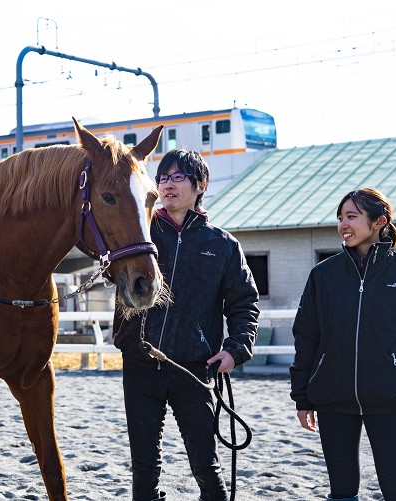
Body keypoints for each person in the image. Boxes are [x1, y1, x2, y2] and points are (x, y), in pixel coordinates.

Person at [112, 148, 260, 501]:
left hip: (194, 367)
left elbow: (244, 303)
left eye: (178, 177)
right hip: (140, 362)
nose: (168, 185)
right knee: (144, 466)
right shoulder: (140, 233)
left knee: (205, 466)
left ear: (200, 185)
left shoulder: (223, 245)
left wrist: (236, 349)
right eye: (162, 178)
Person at [290, 188, 396, 501]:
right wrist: (302, 396)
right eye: (340, 218)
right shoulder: (322, 276)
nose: (343, 224)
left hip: (391, 399)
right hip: (332, 399)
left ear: (379, 222)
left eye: (351, 216)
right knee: (341, 492)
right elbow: (307, 338)